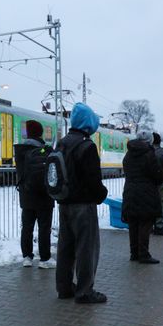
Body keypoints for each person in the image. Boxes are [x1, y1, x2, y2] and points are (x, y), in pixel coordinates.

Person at [55, 103, 109, 303]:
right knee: (86, 248)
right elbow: (93, 180)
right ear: (88, 123)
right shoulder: (87, 146)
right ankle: (85, 291)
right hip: (83, 206)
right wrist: (102, 194)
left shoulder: (61, 143)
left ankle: (64, 288)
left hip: (64, 203)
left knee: (65, 247)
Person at [13, 120, 55, 269]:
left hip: (26, 195)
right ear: (40, 133)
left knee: (27, 227)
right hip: (44, 195)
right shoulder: (46, 150)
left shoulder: (19, 150)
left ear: (27, 133)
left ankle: (27, 258)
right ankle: (44, 259)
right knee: (44, 228)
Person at [121, 131, 163, 263]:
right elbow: (158, 176)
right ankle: (144, 255)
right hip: (146, 193)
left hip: (130, 192)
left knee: (133, 223)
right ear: (150, 141)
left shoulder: (128, 154)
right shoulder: (149, 155)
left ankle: (134, 253)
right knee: (145, 224)